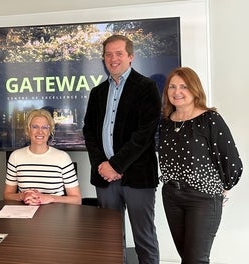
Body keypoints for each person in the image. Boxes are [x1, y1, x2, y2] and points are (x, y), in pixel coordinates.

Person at [82, 34, 160, 264]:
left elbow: (144, 134)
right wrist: (102, 165)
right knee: (110, 239)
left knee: (143, 237)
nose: (113, 58)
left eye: (119, 53)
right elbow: (89, 132)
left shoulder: (147, 87)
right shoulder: (97, 93)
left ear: (130, 56)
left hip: (137, 176)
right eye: (108, 54)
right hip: (105, 178)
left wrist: (116, 164)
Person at [158, 67, 243, 263]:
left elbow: (232, 161)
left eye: (183, 86)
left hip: (203, 198)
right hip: (171, 197)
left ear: (195, 89)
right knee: (186, 257)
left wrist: (225, 188)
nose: (176, 92)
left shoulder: (210, 119)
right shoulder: (166, 122)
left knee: (196, 260)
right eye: (172, 86)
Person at [4, 109, 81, 205]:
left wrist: (50, 198)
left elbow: (77, 200)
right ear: (28, 130)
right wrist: (22, 196)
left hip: (56, 217)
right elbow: (7, 195)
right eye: (35, 127)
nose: (40, 132)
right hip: (25, 215)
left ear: (50, 131)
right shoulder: (15, 156)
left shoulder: (63, 158)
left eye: (45, 127)